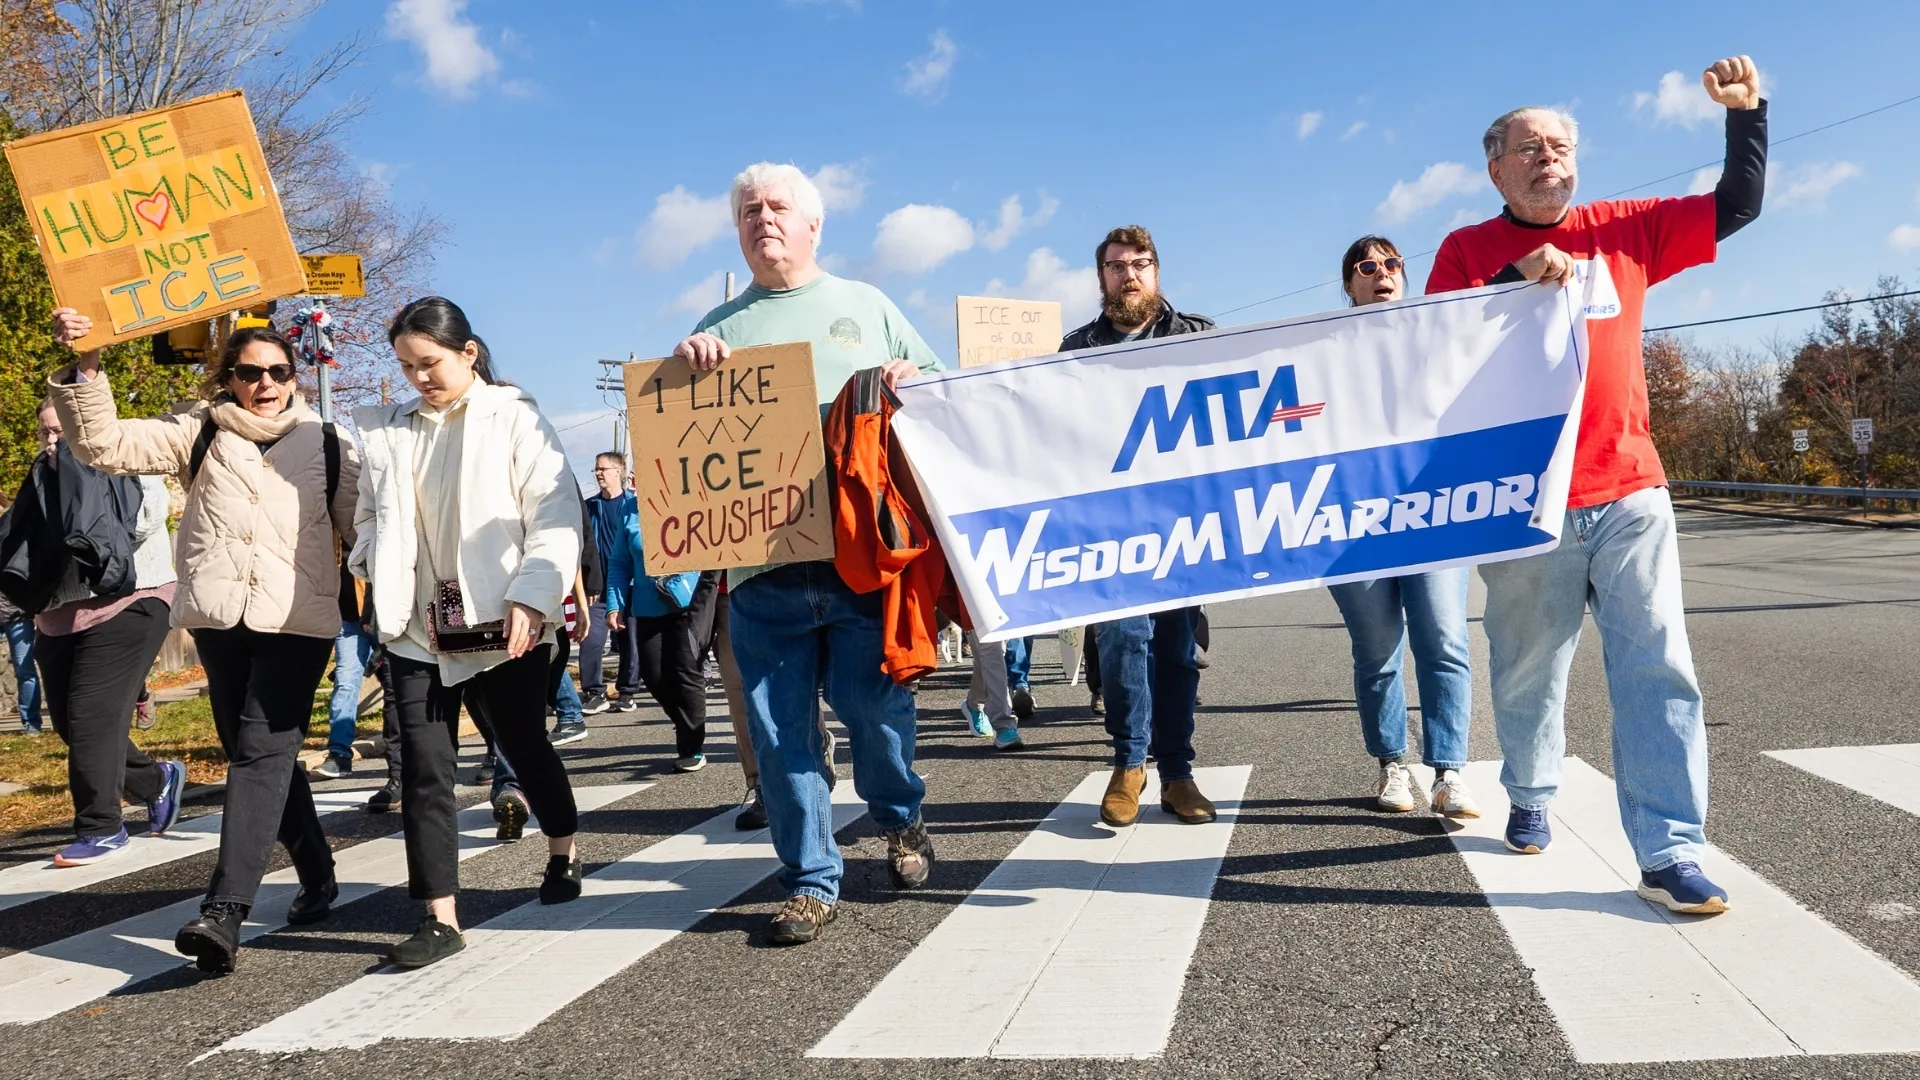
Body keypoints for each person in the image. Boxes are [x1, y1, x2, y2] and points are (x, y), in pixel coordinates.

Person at [1425, 55, 1766, 915]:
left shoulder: (1630, 229)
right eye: (1530, 147)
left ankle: (1670, 851)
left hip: (1629, 486)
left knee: (1658, 667)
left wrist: (1746, 115)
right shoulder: (1466, 250)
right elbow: (1429, 352)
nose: (1550, 156)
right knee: (1529, 671)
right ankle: (1533, 792)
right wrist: (1508, 283)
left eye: (1562, 144)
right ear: (1495, 166)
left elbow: (1738, 206)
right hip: (1522, 505)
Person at [675, 161, 942, 945]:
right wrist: (684, 367)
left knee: (876, 714)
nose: (764, 218)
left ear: (814, 224)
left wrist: (912, 376)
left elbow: (940, 391)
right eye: (749, 210)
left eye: (779, 206)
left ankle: (901, 817)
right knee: (782, 736)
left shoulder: (869, 305)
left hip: (858, 563)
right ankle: (811, 882)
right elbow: (682, 447)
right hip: (763, 573)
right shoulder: (716, 329)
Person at [48, 313, 359, 973]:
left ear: (295, 376)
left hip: (297, 624)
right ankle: (318, 870)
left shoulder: (330, 444)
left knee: (260, 754)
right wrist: (88, 364)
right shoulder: (201, 430)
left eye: (279, 371)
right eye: (250, 372)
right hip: (219, 622)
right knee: (258, 755)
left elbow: (364, 531)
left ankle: (224, 912)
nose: (266, 383)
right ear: (230, 378)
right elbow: (101, 444)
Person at [353, 296, 586, 969]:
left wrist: (534, 594)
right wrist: (370, 558)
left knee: (523, 745)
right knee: (427, 770)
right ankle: (440, 916)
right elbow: (367, 514)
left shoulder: (514, 418)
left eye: (430, 363)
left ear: (468, 353)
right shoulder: (390, 432)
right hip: (416, 627)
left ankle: (563, 851)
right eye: (406, 367)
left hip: (499, 618)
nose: (420, 378)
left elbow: (556, 511)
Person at [1062, 225, 1219, 829]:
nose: (1129, 274)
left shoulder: (1197, 337)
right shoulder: (1076, 350)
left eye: (1140, 264)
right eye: (1116, 265)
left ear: (1157, 273)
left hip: (1185, 523)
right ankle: (1130, 762)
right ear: (1100, 277)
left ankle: (1177, 773)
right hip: (1113, 525)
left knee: (1178, 652)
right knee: (1123, 639)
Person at [1330, 237, 1479, 819]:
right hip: (1352, 525)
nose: (1382, 274)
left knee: (1444, 639)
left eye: (1392, 264)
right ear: (1349, 285)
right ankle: (1394, 764)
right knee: (1377, 650)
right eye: (1367, 268)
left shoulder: (1438, 340)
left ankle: (1449, 771)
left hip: (1435, 515)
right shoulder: (1321, 352)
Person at [4, 394, 183, 865]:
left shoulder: (128, 462)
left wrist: (81, 498)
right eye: (45, 432)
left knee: (91, 718)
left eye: (62, 431)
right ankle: (155, 780)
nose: (52, 441)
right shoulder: (41, 481)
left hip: (131, 603)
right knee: (69, 723)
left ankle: (102, 827)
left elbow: (139, 528)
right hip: (60, 616)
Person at [581, 453, 642, 716]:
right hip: (598, 588)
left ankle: (627, 692)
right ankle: (595, 692)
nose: (598, 474)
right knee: (590, 641)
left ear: (619, 472)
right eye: (595, 469)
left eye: (603, 469)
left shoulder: (635, 505)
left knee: (630, 640)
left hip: (630, 586)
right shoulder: (589, 507)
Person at [314, 574, 373, 779]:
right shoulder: (331, 541)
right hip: (348, 622)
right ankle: (339, 754)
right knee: (345, 683)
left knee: (399, 691)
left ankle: (407, 760)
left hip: (385, 620)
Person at [965, 632, 1021, 750]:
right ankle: (1004, 725)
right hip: (976, 614)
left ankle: (974, 702)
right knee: (992, 652)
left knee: (989, 657)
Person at [0, 575, 40, 735]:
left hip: (18, 616)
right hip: (18, 613)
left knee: (25, 670)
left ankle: (32, 723)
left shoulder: (16, 550)